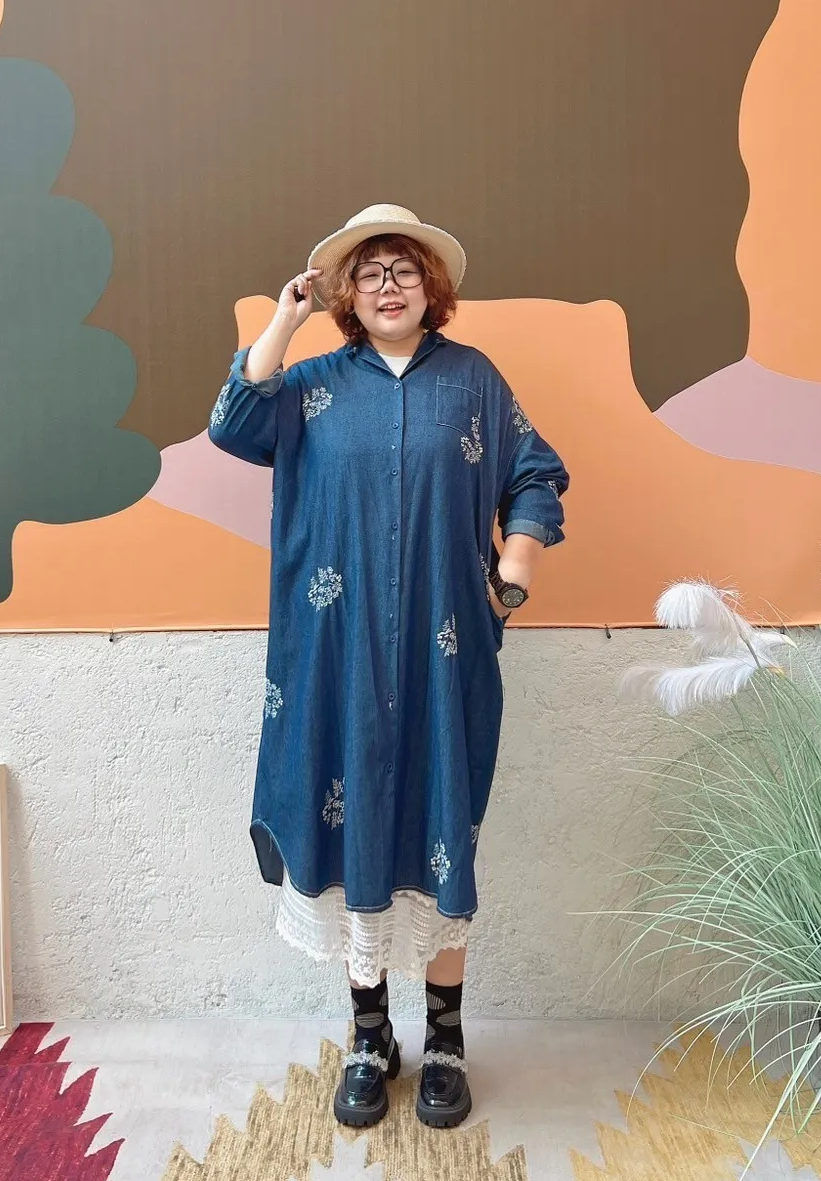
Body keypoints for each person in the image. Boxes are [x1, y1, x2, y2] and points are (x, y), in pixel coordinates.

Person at [208, 203, 568, 1130]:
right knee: (352, 829)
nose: (388, 285)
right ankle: (371, 1037)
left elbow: (535, 473)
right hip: (335, 657)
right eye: (369, 272)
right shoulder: (310, 385)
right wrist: (284, 319)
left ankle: (445, 1039)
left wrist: (515, 571)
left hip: (447, 654)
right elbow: (232, 423)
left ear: (431, 286)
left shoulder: (474, 381)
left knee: (443, 832)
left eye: (404, 268)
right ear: (346, 294)